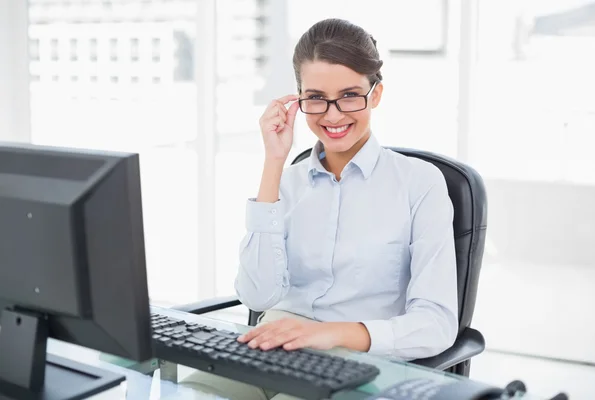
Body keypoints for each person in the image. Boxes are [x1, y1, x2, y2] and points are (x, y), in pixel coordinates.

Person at [180, 18, 458, 400]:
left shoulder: (420, 183)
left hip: (359, 354)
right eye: (315, 98)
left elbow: (437, 324)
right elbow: (258, 297)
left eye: (349, 95)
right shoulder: (287, 182)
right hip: (274, 341)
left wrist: (331, 333)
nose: (332, 115)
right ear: (298, 99)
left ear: (375, 94)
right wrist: (273, 163)